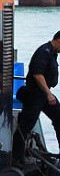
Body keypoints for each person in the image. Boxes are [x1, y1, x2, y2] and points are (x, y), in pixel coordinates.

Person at [17, 30, 60, 162]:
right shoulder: (43, 52)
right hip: (35, 94)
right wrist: (48, 94)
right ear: (59, 40)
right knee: (26, 125)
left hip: (44, 94)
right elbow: (37, 74)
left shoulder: (53, 53)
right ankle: (16, 157)